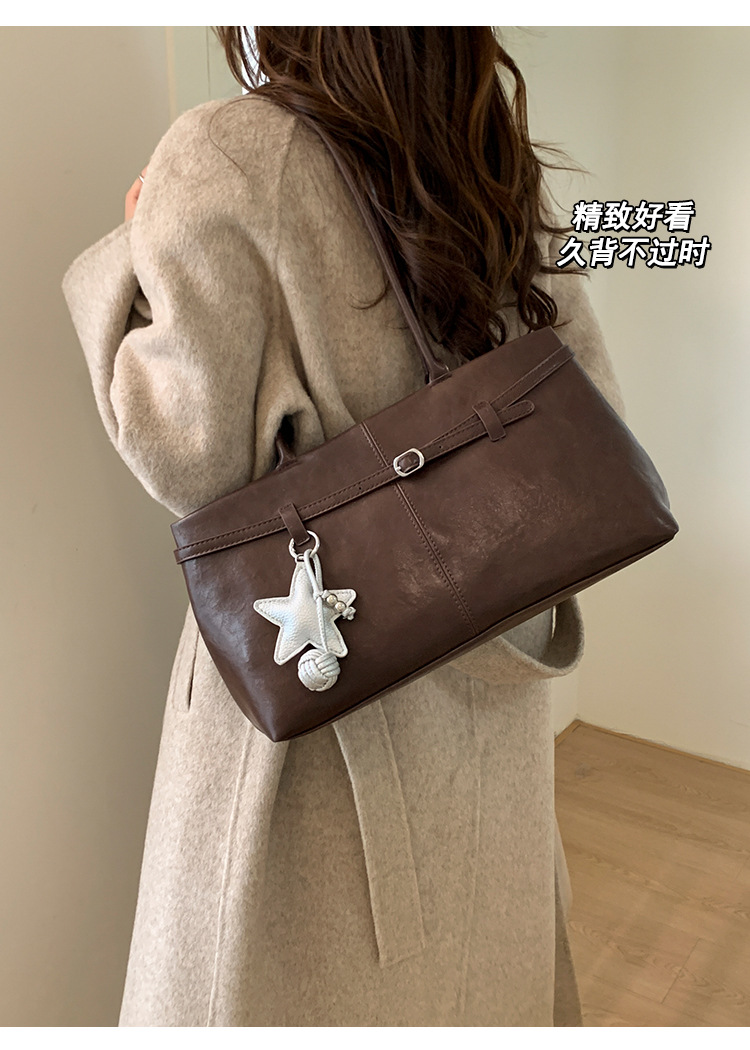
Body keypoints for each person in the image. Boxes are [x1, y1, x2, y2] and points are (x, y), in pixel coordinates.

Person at [62, 27, 624, 1027]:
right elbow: (592, 408)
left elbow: (187, 455)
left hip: (320, 717)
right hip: (491, 710)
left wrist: (132, 248)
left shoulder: (229, 153)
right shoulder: (492, 155)